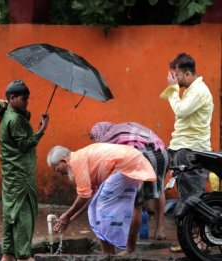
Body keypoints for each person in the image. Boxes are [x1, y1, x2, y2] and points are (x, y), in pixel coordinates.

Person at [47, 144, 155, 255]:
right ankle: (128, 250)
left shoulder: (76, 161)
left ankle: (107, 254)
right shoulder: (82, 157)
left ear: (63, 160)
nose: (60, 173)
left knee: (101, 211)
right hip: (133, 161)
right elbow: (89, 197)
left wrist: (67, 215)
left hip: (126, 164)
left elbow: (84, 196)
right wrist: (69, 219)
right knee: (101, 207)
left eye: (57, 169)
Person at [160, 53, 213, 251]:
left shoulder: (199, 90)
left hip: (193, 150)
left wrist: (172, 90)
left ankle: (202, 242)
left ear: (188, 73)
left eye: (176, 76)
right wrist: (175, 89)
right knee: (187, 196)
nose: (173, 79)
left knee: (194, 197)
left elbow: (180, 111)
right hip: (184, 148)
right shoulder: (191, 90)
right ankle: (191, 240)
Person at [90, 121, 169, 241]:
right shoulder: (126, 127)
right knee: (158, 189)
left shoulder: (107, 139)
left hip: (144, 156)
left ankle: (130, 240)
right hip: (163, 153)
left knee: (136, 200)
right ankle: (160, 230)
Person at [0, 80, 49, 261]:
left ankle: (9, 253)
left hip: (12, 174)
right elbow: (25, 144)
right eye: (24, 99)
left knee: (11, 214)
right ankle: (23, 255)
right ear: (12, 98)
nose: (27, 102)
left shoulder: (7, 115)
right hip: (21, 175)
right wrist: (41, 130)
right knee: (23, 216)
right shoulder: (15, 119)